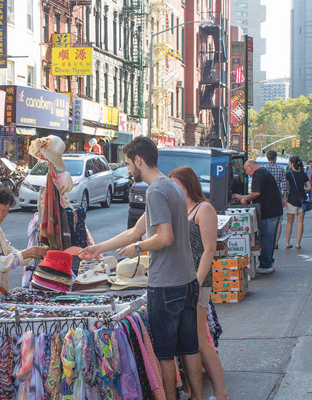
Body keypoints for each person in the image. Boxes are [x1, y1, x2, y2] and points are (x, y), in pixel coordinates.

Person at [79, 136, 204, 400]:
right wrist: (98, 248)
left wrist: (138, 249)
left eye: (128, 163)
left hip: (167, 286)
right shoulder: (171, 187)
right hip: (187, 281)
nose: (127, 170)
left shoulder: (156, 191)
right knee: (190, 348)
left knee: (165, 354)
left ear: (139, 160)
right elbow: (136, 231)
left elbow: (164, 237)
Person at [169, 166, 228, 400]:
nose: (173, 189)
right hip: (180, 281)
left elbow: (209, 249)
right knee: (188, 338)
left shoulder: (204, 208)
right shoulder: (180, 209)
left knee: (200, 340)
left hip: (197, 283)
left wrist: (196, 283)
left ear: (187, 183)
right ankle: (191, 390)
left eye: (176, 184)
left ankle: (221, 393)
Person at [232, 160, 283, 274]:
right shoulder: (263, 172)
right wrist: (241, 197)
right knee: (269, 238)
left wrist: (245, 199)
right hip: (273, 211)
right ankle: (268, 261)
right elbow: (257, 193)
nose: (247, 173)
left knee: (266, 238)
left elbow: (256, 193)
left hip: (269, 212)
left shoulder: (258, 174)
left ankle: (266, 264)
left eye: (246, 170)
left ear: (250, 166)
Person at [263, 150, 288, 249]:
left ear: (267, 158)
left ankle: (266, 241)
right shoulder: (280, 169)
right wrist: (284, 197)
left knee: (265, 220)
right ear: (275, 158)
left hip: (265, 197)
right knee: (278, 220)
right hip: (277, 197)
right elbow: (284, 185)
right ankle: (276, 242)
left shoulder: (263, 169)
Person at [285, 156, 311, 249]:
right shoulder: (303, 174)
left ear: (292, 164)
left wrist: (285, 197)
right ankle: (298, 243)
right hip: (302, 200)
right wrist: (303, 189)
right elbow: (309, 187)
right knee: (300, 222)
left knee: (289, 222)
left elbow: (286, 187)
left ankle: (287, 242)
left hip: (291, 200)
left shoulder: (288, 174)